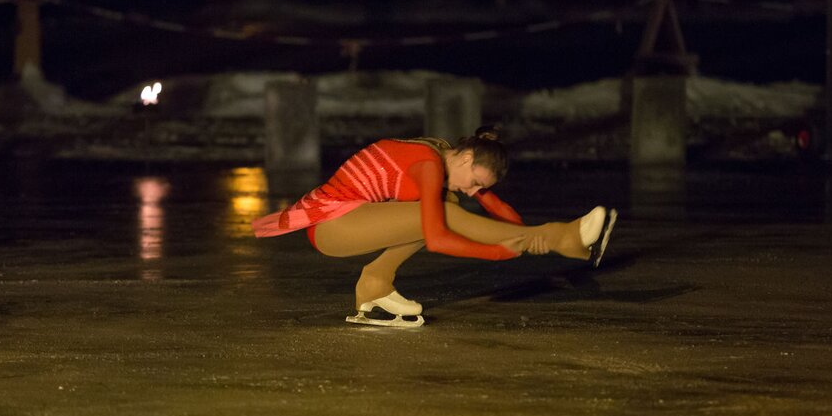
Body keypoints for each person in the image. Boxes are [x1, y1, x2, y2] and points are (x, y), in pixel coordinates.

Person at [252, 126, 617, 327]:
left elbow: (507, 220)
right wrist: (504, 250)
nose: (474, 191)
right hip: (333, 226)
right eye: (475, 182)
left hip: (350, 218)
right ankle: (563, 237)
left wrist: (521, 239)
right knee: (443, 212)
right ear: (467, 157)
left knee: (447, 205)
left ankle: (375, 284)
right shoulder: (428, 165)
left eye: (479, 187)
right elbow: (439, 238)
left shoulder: (444, 156)